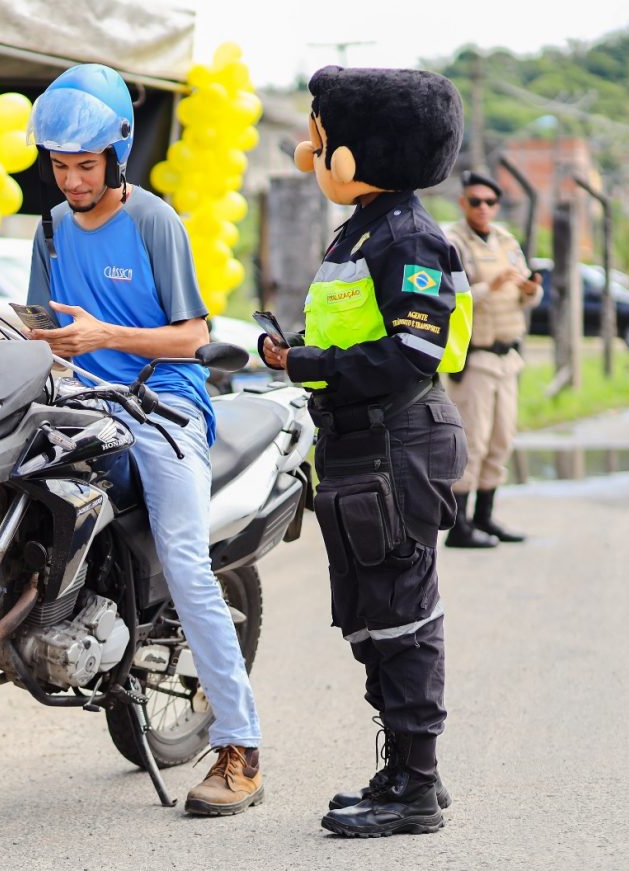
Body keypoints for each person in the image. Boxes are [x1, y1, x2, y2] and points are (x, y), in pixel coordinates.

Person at [25, 63, 264, 816]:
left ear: (117, 156)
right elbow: (44, 330)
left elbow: (195, 338)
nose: (71, 180)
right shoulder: (50, 229)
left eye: (84, 165)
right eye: (59, 166)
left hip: (165, 405)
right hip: (82, 406)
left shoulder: (155, 221)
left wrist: (106, 336)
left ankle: (242, 747)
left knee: (188, 561)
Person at [259, 65, 470, 838]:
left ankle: (417, 785)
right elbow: (358, 334)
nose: (310, 152)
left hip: (398, 440)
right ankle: (403, 774)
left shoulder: (410, 234)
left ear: (359, 150)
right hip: (359, 443)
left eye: (320, 138)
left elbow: (414, 351)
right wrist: (300, 350)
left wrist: (311, 365)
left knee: (403, 614)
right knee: (373, 615)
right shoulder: (365, 228)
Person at [443, 169, 542, 547]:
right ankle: (459, 527)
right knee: (474, 442)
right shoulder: (452, 242)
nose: (483, 208)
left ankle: (484, 518)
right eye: (475, 201)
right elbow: (451, 297)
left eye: (490, 202)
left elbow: (526, 298)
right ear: (462, 203)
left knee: (502, 440)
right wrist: (491, 285)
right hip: (476, 356)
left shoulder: (505, 240)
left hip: (507, 355)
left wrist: (531, 289)